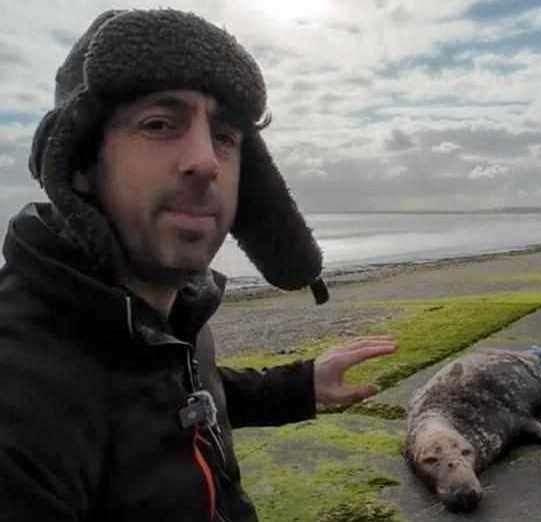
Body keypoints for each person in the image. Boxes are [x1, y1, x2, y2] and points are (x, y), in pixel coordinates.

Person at [0, 9, 395, 521]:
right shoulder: (19, 395)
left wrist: (298, 387)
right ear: (78, 164)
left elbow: (162, 391)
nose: (207, 160)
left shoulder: (172, 309)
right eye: (160, 124)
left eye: (226, 137)